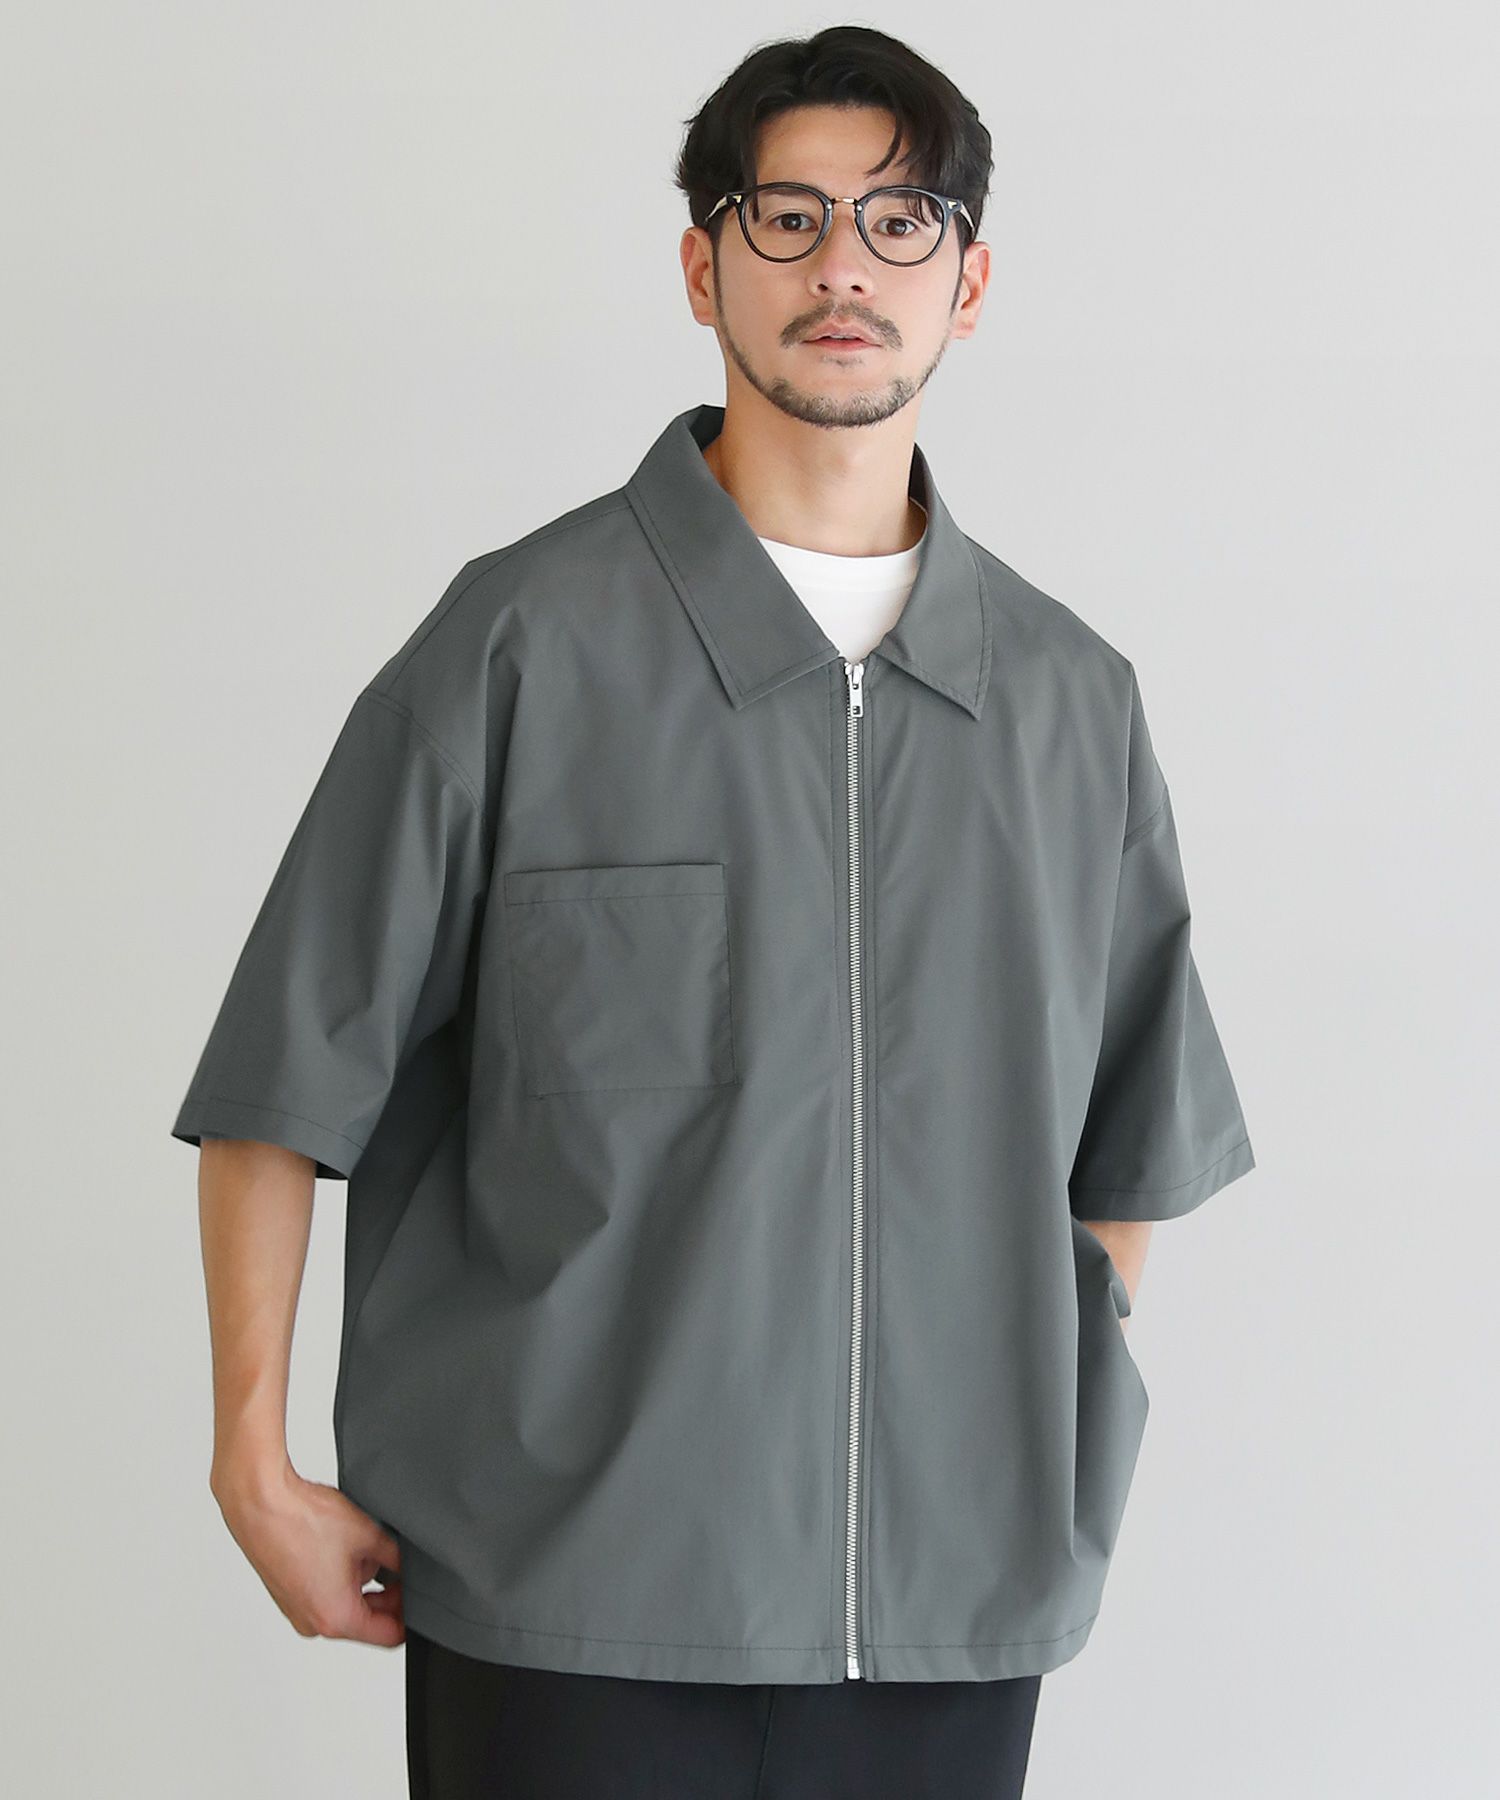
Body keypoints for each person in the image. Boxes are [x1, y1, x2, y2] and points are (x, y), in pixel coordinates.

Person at [175, 25, 1255, 1799]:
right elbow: (281, 1084)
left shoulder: (1073, 703)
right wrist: (250, 1458)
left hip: (952, 1617)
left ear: (970, 284)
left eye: (901, 223)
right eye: (788, 217)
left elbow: (1130, 1149)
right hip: (560, 1606)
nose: (844, 266)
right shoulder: (519, 645)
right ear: (703, 269)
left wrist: (1049, 1430)